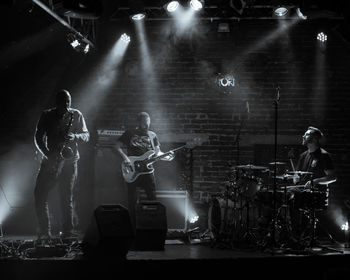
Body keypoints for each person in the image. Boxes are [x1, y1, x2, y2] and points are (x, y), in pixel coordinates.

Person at [34, 89, 89, 239]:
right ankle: (45, 232)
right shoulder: (47, 115)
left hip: (70, 162)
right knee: (40, 195)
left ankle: (67, 233)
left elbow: (86, 135)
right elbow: (38, 137)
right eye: (63, 102)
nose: (66, 104)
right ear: (56, 102)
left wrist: (75, 136)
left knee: (66, 197)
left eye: (68, 101)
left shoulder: (76, 115)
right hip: (51, 160)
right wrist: (47, 154)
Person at [114, 112, 174, 228]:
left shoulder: (152, 135)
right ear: (138, 122)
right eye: (143, 124)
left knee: (152, 200)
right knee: (132, 202)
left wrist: (167, 157)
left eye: (148, 123)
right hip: (132, 169)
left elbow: (157, 153)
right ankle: (133, 228)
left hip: (148, 172)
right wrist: (125, 158)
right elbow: (116, 146)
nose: (146, 126)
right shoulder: (130, 133)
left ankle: (152, 227)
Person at [289, 126, 337, 240]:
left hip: (316, 194)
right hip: (302, 190)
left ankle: (297, 234)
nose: (303, 136)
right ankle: (290, 233)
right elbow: (298, 177)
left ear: (314, 139)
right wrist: (294, 178)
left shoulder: (324, 156)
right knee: (282, 193)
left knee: (291, 197)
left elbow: (333, 177)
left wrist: (315, 181)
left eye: (306, 134)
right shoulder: (303, 155)